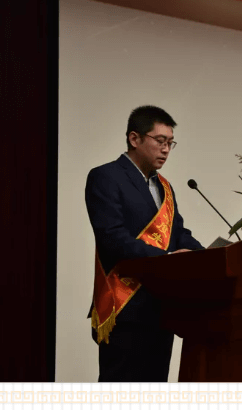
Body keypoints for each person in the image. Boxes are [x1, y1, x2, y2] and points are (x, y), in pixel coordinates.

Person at [85, 105, 204, 382]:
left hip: (162, 304)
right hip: (126, 307)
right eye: (160, 141)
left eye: (170, 143)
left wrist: (207, 254)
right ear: (134, 139)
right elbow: (112, 237)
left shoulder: (164, 186)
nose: (166, 149)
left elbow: (178, 233)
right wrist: (168, 259)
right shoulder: (106, 176)